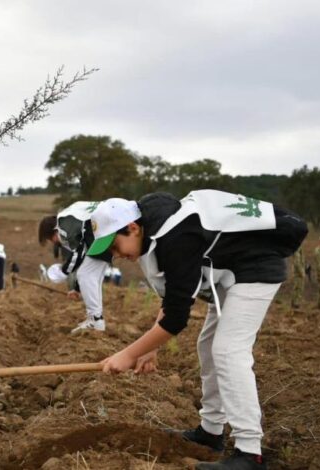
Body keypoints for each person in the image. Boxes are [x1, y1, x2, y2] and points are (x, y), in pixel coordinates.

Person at [90, 191, 307, 470]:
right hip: (228, 272)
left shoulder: (176, 236)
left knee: (228, 351)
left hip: (255, 267)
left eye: (114, 246)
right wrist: (150, 347)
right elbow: (173, 296)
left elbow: (176, 319)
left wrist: (129, 354)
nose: (117, 256)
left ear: (132, 227)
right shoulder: (153, 228)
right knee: (208, 345)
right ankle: (211, 432)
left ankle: (250, 453)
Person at [38, 201, 113, 333]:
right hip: (106, 232)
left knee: (86, 274)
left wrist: (63, 271)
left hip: (104, 234)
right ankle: (95, 319)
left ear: (53, 232)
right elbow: (83, 259)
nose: (55, 243)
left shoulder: (64, 223)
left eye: (51, 239)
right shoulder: (71, 218)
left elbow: (78, 253)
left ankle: (95, 320)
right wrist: (77, 289)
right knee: (89, 275)